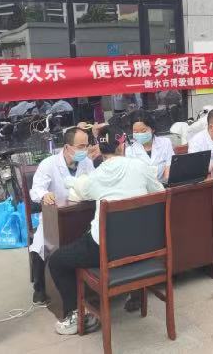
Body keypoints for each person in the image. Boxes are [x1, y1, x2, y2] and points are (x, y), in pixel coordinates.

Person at [48, 127, 164, 335]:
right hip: (143, 245)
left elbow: (80, 192)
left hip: (107, 250)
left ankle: (78, 316)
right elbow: (159, 193)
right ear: (122, 145)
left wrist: (74, 182)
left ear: (99, 150)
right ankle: (135, 293)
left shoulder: (96, 176)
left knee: (57, 260)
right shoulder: (140, 167)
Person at [28, 127, 96, 304]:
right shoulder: (48, 164)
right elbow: (36, 190)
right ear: (67, 147)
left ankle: (86, 285)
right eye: (80, 146)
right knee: (41, 243)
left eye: (87, 145)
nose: (85, 150)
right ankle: (40, 287)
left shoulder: (87, 163)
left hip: (82, 215)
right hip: (54, 217)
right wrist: (44, 195)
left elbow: (94, 184)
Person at [125, 111, 174, 183]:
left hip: (164, 185)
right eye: (135, 132)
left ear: (153, 129)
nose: (140, 134)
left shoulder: (165, 143)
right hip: (142, 187)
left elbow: (169, 166)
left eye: (143, 131)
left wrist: (165, 185)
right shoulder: (129, 151)